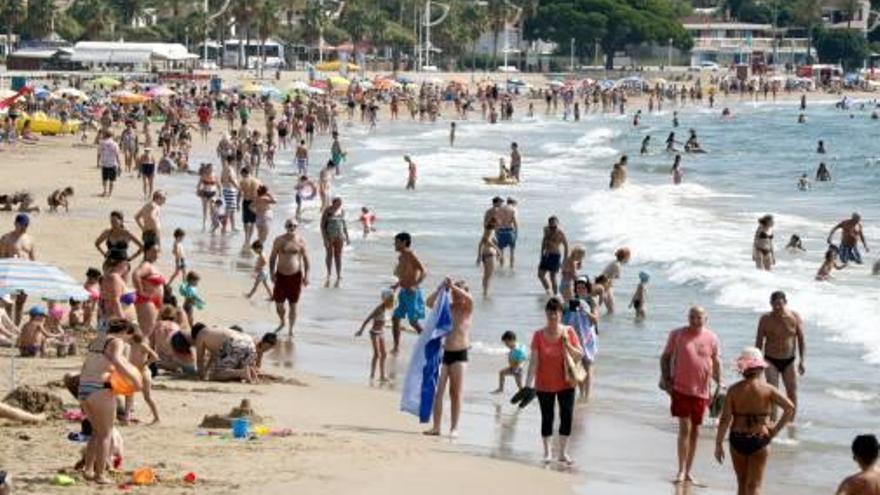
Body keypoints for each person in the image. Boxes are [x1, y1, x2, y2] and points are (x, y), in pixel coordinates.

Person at [714, 347, 795, 495]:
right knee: (755, 486)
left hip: (737, 438)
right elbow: (790, 408)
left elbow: (725, 419)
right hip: (759, 439)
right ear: (760, 369)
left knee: (742, 484)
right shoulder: (768, 389)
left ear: (742, 369)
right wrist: (775, 430)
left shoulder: (733, 390)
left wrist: (718, 443)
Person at [659, 306, 722, 484]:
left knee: (695, 431)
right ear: (688, 317)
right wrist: (667, 380)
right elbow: (665, 357)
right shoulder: (677, 334)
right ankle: (680, 470)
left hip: (702, 391)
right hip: (680, 388)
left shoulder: (712, 337)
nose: (695, 320)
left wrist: (720, 384)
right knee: (684, 429)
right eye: (692, 317)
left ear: (706, 319)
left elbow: (716, 361)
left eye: (699, 318)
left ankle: (688, 471)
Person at [78, 319, 142, 484]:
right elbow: (116, 359)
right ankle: (99, 475)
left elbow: (86, 366)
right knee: (106, 434)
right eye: (130, 336)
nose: (128, 341)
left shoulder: (97, 340)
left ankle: (88, 470)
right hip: (100, 388)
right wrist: (135, 379)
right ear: (126, 331)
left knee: (95, 432)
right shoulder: (117, 341)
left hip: (84, 388)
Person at [522, 297, 583, 464]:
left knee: (566, 416)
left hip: (566, 381)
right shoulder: (538, 335)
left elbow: (580, 354)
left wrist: (567, 345)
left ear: (561, 314)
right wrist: (528, 385)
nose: (552, 316)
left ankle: (563, 453)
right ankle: (547, 453)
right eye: (549, 313)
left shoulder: (569, 331)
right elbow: (533, 362)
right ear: (546, 314)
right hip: (544, 384)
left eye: (555, 313)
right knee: (547, 417)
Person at [423, 277, 473, 438]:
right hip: (445, 353)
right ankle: (436, 427)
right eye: (453, 293)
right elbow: (429, 303)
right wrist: (440, 288)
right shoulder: (448, 308)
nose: (456, 296)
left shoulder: (467, 309)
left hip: (460, 354)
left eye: (459, 293)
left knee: (456, 392)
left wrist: (453, 286)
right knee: (438, 391)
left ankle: (454, 428)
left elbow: (470, 298)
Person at [754, 291, 805, 422]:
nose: (777, 307)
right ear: (770, 304)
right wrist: (756, 363)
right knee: (773, 391)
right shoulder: (765, 319)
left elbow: (801, 340)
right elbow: (759, 342)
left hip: (789, 360)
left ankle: (790, 422)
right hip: (771, 359)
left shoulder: (794, 317)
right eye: (774, 304)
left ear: (785, 303)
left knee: (792, 392)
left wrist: (802, 361)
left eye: (780, 304)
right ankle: (773, 422)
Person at [193, 323, 277, 383]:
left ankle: (242, 373)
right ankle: (251, 375)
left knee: (217, 374)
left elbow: (199, 361)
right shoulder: (214, 330)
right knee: (235, 370)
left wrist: (201, 376)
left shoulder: (201, 334)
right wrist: (206, 371)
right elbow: (213, 356)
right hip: (248, 340)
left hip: (233, 341)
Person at [270, 219, 310, 336]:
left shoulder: (301, 241)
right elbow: (272, 258)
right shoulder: (279, 240)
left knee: (293, 304)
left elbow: (306, 259)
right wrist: (272, 273)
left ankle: (291, 329)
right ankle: (282, 321)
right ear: (285, 226)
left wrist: (307, 276)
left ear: (296, 227)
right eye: (289, 225)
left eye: (293, 225)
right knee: (279, 305)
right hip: (281, 276)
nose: (291, 227)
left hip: (295, 276)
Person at [391, 232, 427, 354]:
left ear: (404, 242)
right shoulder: (401, 257)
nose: (394, 244)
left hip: (412, 293)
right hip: (403, 292)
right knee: (395, 318)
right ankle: (396, 347)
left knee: (413, 322)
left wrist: (415, 285)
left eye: (397, 242)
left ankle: (429, 343)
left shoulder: (410, 254)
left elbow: (423, 271)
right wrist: (397, 285)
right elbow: (406, 274)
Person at [564, 277, 599, 401]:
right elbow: (565, 319)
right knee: (577, 365)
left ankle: (587, 396)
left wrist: (585, 310)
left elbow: (595, 320)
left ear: (587, 288)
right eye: (578, 287)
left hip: (588, 337)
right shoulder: (572, 300)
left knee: (588, 365)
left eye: (583, 287)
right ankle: (581, 392)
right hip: (575, 337)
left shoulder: (591, 300)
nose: (580, 289)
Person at [0, 214, 37, 324]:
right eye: (22, 225)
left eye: (26, 225)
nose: (25, 227)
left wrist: (34, 276)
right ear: (15, 224)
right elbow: (1, 258)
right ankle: (9, 327)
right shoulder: (6, 239)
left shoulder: (30, 239)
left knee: (20, 303)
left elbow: (33, 259)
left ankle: (17, 327)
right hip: (10, 275)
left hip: (24, 275)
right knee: (8, 303)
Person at [355, 289, 395, 382]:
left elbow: (385, 322)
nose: (393, 302)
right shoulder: (379, 309)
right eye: (391, 300)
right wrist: (361, 330)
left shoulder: (387, 309)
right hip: (374, 333)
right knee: (377, 354)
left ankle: (382, 376)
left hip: (381, 333)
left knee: (384, 354)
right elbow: (368, 319)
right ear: (386, 299)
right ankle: (372, 375)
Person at [132, 241, 165, 339]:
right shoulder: (146, 265)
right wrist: (141, 291)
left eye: (158, 252)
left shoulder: (153, 266)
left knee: (152, 333)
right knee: (146, 332)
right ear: (146, 251)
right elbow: (135, 275)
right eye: (154, 251)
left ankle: (146, 353)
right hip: (147, 301)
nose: (156, 254)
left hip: (155, 302)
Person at [320, 197, 350, 288]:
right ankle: (329, 274)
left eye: (341, 203)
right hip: (330, 236)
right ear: (334, 203)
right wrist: (325, 238)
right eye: (338, 202)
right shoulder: (328, 211)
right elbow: (322, 225)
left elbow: (344, 225)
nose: (340, 204)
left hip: (340, 236)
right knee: (329, 255)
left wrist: (347, 237)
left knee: (338, 255)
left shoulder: (342, 211)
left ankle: (339, 275)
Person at [538, 216, 569, 296]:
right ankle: (548, 290)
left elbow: (566, 246)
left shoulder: (560, 233)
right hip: (546, 255)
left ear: (558, 224)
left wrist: (564, 260)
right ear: (549, 224)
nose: (553, 228)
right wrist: (541, 253)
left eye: (555, 226)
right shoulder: (546, 229)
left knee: (553, 277)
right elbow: (544, 240)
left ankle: (555, 295)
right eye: (551, 226)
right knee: (540, 275)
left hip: (555, 256)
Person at [600, 247, 631, 314]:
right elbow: (611, 278)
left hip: (603, 283)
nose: (629, 259)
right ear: (625, 257)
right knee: (611, 308)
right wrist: (606, 290)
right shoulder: (617, 265)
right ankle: (609, 323)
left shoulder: (615, 262)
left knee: (610, 307)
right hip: (605, 284)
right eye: (629, 257)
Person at [477, 220, 502, 296]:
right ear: (495, 224)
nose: (499, 226)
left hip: (486, 254)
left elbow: (480, 244)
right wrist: (497, 249)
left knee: (486, 275)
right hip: (490, 254)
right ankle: (486, 292)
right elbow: (486, 240)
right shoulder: (491, 231)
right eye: (498, 224)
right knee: (489, 275)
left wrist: (479, 255)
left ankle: (485, 292)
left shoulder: (487, 231)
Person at [239, 166, 262, 248]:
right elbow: (262, 192)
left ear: (244, 173)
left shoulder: (243, 181)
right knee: (252, 222)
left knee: (245, 221)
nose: (241, 175)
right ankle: (249, 239)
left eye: (241, 174)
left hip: (246, 201)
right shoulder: (258, 181)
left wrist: (238, 203)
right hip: (255, 202)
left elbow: (240, 193)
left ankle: (246, 238)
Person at [97, 131, 121, 197]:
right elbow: (117, 155)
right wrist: (119, 165)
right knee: (112, 180)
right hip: (113, 163)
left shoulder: (101, 143)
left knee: (104, 179)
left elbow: (99, 153)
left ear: (105, 135)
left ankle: (104, 191)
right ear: (111, 136)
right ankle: (110, 194)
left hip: (104, 163)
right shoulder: (115, 144)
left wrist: (98, 163)